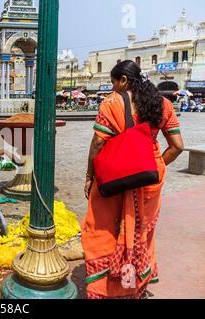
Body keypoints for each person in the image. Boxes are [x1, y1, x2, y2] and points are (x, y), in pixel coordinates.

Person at [82, 60, 184, 299]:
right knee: (141, 233)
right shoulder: (164, 104)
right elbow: (178, 146)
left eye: (113, 82)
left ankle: (107, 290)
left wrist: (89, 176)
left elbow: (98, 143)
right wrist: (156, 164)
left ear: (124, 80)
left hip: (116, 180)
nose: (112, 87)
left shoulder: (112, 103)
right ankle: (134, 286)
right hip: (150, 181)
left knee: (103, 231)